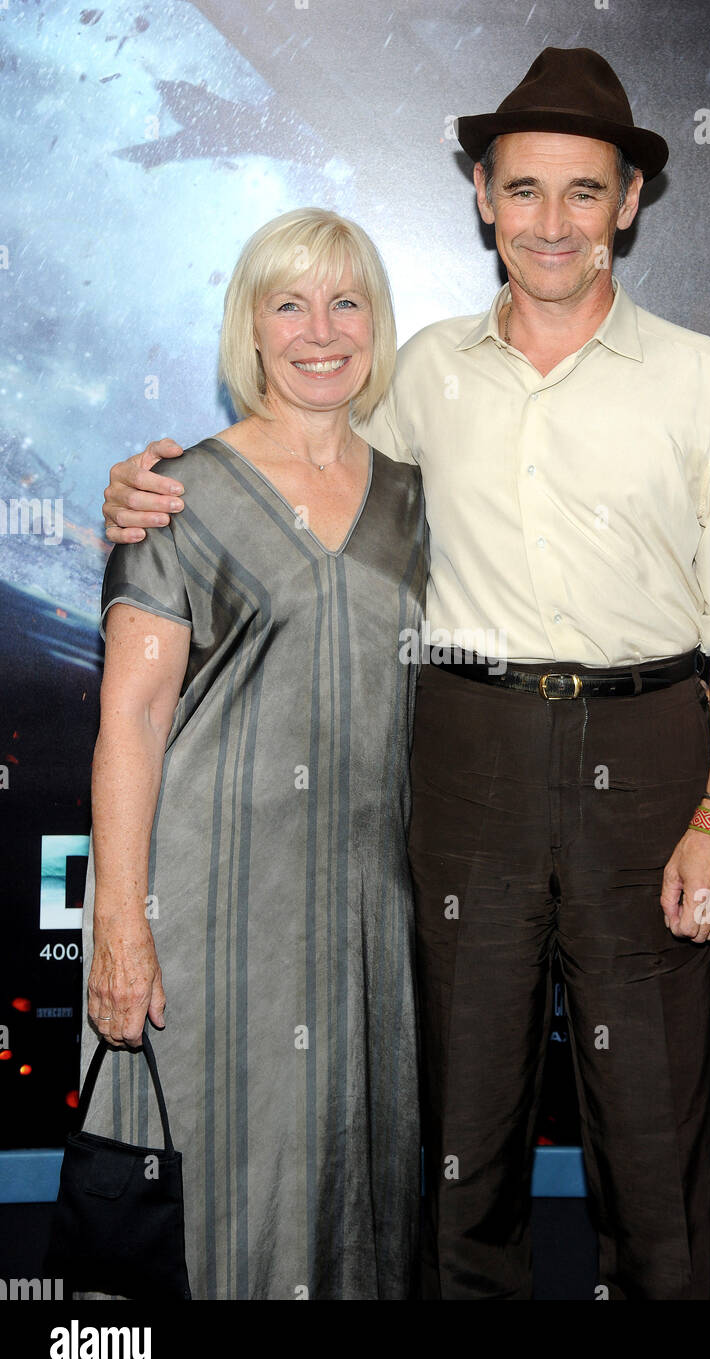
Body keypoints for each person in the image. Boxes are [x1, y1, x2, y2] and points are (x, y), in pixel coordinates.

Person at [101, 49, 710, 1300]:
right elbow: (295, 472)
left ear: (630, 204)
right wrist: (144, 492)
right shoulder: (416, 372)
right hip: (467, 763)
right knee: (458, 1163)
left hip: (651, 768)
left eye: (584, 193)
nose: (551, 222)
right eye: (524, 189)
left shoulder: (703, 382)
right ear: (482, 195)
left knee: (652, 1161)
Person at [79, 207, 427, 1301]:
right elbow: (129, 720)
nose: (319, 330)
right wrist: (122, 923)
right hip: (212, 921)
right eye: (289, 303)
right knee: (221, 1200)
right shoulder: (175, 494)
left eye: (346, 301)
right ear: (251, 328)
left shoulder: (420, 500)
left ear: (376, 324)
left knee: (353, 1202)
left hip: (368, 926)